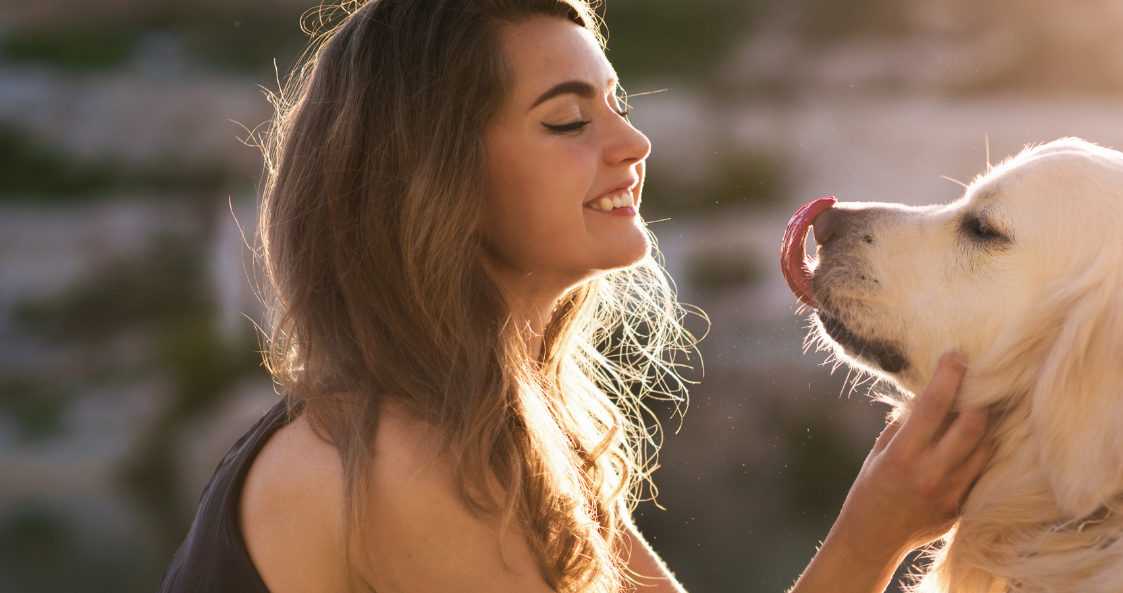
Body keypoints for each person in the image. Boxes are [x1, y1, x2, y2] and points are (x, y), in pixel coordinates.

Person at [158, 1, 993, 592]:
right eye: (568, 120)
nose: (633, 142)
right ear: (434, 179)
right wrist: (873, 532)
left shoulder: (509, 425)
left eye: (616, 104)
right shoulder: (397, 462)